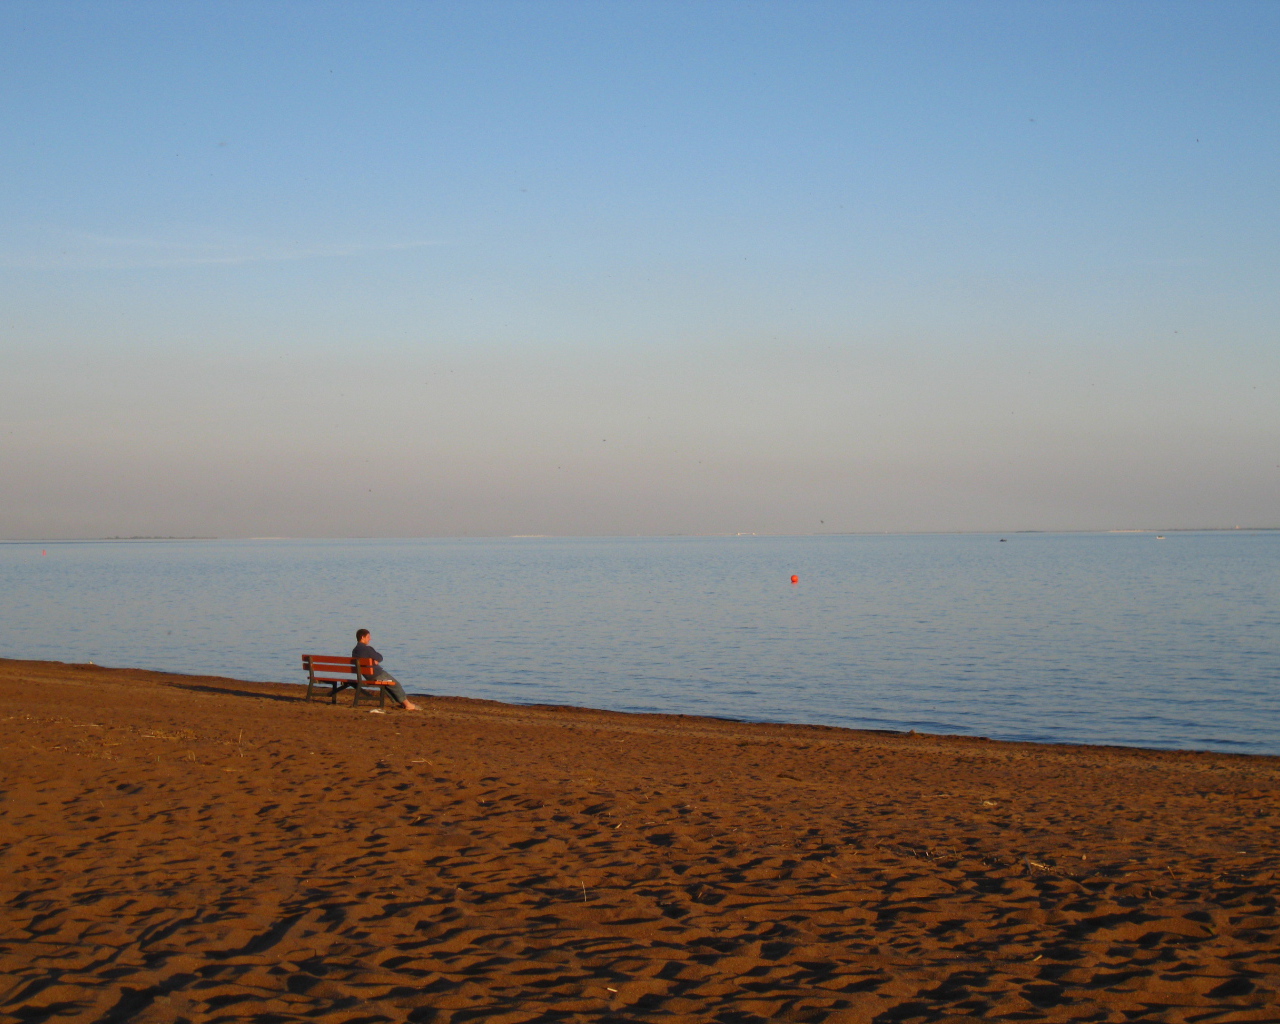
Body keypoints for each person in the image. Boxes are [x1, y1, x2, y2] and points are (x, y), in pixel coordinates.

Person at [352, 629, 420, 710]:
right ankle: (407, 705)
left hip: (366, 675)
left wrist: (373, 660)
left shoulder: (355, 650)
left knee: (388, 685)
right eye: (368, 637)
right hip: (376, 674)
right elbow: (380, 657)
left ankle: (401, 703)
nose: (370, 639)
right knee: (395, 684)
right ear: (362, 637)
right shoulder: (367, 649)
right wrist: (374, 660)